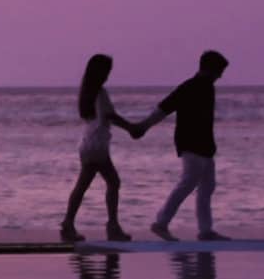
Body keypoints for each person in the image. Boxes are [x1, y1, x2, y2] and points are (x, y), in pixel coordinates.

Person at [138, 50, 229, 241]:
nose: (220, 76)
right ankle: (161, 223)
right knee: (187, 184)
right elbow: (164, 108)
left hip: (205, 146)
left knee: (207, 187)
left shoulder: (208, 87)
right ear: (210, 69)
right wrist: (144, 126)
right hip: (190, 144)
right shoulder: (189, 87)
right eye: (219, 71)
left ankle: (205, 231)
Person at [60, 54, 142, 242]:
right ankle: (111, 227)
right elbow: (110, 116)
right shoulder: (100, 92)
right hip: (97, 145)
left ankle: (69, 224)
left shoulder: (87, 93)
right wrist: (131, 128)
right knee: (112, 182)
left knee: (85, 185)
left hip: (88, 143)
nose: (108, 76)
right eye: (107, 71)